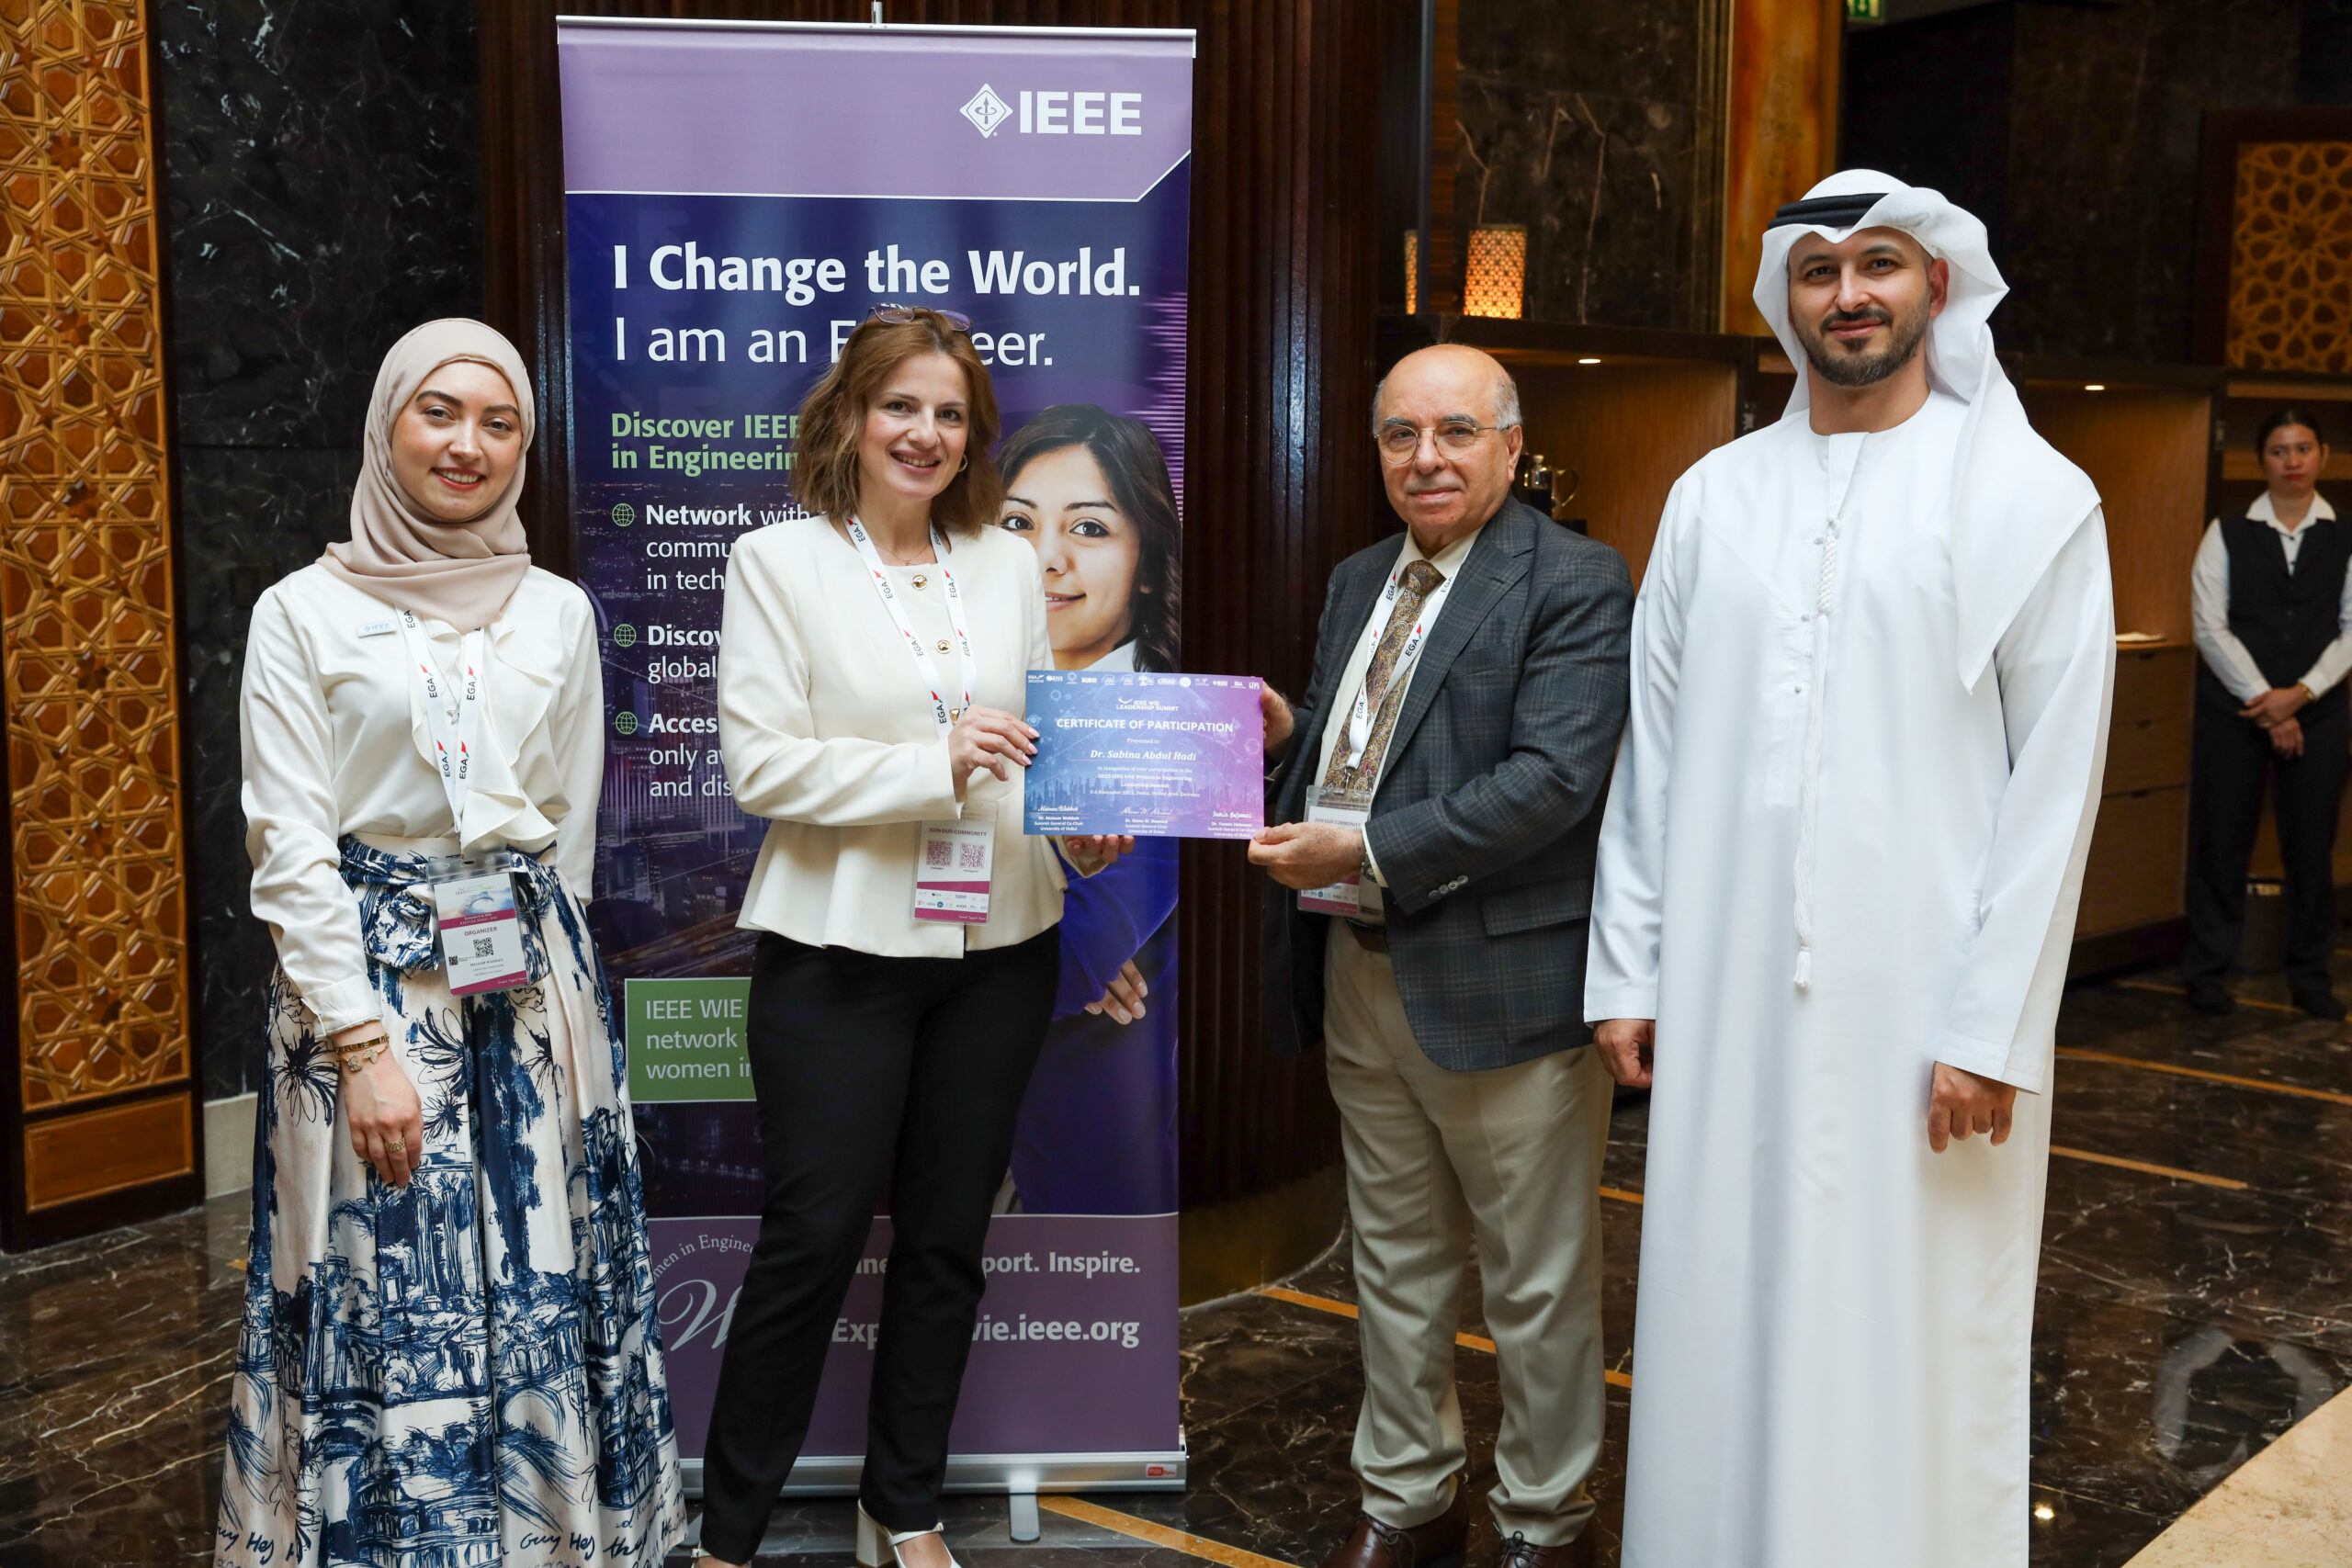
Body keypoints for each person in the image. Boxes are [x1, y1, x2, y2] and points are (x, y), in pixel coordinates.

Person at [1586, 171, 2113, 1568]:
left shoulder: (2031, 499)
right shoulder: (1711, 497)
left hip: (1926, 1019)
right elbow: (1655, 749)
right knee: (1723, 1305)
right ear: (1786, 299)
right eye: (1817, 271)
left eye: (1877, 264)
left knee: (1910, 1329)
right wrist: (1630, 964)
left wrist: (1991, 1026)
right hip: (1730, 1001)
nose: (1849, 294)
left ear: (1936, 282)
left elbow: (2056, 788)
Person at [219, 319, 685, 1566]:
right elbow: (290, 847)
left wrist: (562, 1009)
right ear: (388, 425)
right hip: (367, 994)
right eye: (439, 411)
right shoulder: (299, 612)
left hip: (531, 990)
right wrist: (361, 1045)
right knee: (382, 1279)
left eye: (498, 421)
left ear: (524, 445)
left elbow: (569, 828)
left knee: (544, 1270)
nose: (467, 443)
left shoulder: (558, 611)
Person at [698, 309, 1128, 1568]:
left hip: (1001, 947)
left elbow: (1036, 743)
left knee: (947, 1243)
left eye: (950, 413)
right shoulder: (776, 562)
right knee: (812, 1242)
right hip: (836, 952)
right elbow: (761, 767)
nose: (925, 433)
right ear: (849, 415)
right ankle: (728, 1536)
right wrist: (930, 762)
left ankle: (905, 1508)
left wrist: (1080, 827)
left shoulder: (1004, 562)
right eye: (901, 406)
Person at [1251, 343, 1633, 1568]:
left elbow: (1554, 780)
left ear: (1512, 446)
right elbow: (1371, 743)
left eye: (1456, 431)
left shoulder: (1574, 578)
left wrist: (1365, 848)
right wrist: (1292, 734)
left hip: (1501, 987)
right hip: (1358, 970)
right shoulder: (1361, 576)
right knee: (1394, 1261)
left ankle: (1544, 1519)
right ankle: (1409, 1498)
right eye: (1401, 434)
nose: (1426, 457)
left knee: (1534, 1281)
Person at [996, 404, 1183, 1215]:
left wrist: (933, 939)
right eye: (1017, 523)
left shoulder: (1163, 725)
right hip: (949, 1139)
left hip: (1082, 1178)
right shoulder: (962, 700)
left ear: (1147, 564)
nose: (1046, 558)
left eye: (1090, 528)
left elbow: (1076, 955)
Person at [2183, 409, 2350, 1018]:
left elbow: (2351, 629)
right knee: (2221, 840)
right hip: (2235, 713)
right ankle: (2206, 972)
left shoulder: (2345, 534)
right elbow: (2209, 625)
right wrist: (2268, 702)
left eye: (2303, 448)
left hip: (2320, 712)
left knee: (2312, 847)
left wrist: (2301, 694)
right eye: (2279, 451)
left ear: (2322, 455)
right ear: (2263, 461)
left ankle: (2311, 977)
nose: (2293, 461)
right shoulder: (2226, 532)